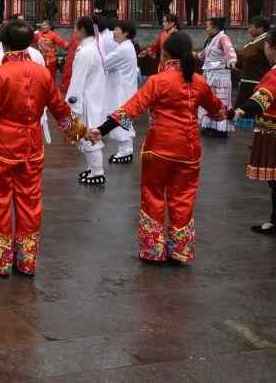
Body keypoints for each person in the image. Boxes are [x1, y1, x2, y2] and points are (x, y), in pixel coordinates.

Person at [0, 19, 86, 277]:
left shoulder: (0, 74)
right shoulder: (43, 73)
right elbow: (61, 110)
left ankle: (1, 262)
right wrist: (81, 133)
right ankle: (26, 261)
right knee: (30, 202)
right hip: (32, 146)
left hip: (2, 147)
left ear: (4, 44)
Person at [90, 32, 225, 265]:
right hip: (189, 150)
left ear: (165, 53)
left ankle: (153, 250)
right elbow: (218, 111)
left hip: (159, 148)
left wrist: (101, 130)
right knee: (183, 198)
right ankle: (180, 251)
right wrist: (234, 113)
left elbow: (131, 109)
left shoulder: (158, 81)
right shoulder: (198, 81)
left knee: (153, 196)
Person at [230, 28, 276, 234]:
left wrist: (242, 110)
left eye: (266, 44)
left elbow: (264, 97)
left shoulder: (274, 75)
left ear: (272, 47)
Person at [67, 16, 108, 186]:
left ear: (82, 30)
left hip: (86, 100)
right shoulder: (92, 47)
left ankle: (97, 171)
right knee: (85, 134)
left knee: (88, 135)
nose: (74, 31)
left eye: (75, 28)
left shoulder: (85, 51)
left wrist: (71, 104)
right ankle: (93, 168)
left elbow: (78, 80)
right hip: (92, 97)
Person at [104, 19, 140, 164]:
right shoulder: (125, 46)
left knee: (122, 118)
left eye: (117, 29)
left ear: (125, 33)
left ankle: (125, 150)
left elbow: (105, 63)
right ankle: (125, 149)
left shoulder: (123, 49)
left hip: (122, 91)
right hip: (124, 89)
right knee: (123, 118)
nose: (114, 32)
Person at [197, 17, 237, 137]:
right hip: (210, 75)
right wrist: (195, 55)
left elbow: (230, 51)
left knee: (221, 101)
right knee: (210, 101)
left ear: (215, 28)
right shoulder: (211, 39)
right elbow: (204, 54)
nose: (206, 29)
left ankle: (220, 129)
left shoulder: (223, 37)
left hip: (220, 77)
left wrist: (232, 61)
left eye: (207, 27)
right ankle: (210, 125)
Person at [235, 17, 272, 127]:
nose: (248, 29)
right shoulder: (254, 41)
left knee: (253, 108)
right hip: (247, 79)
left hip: (256, 81)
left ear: (261, 28)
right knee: (244, 110)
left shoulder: (266, 41)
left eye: (251, 26)